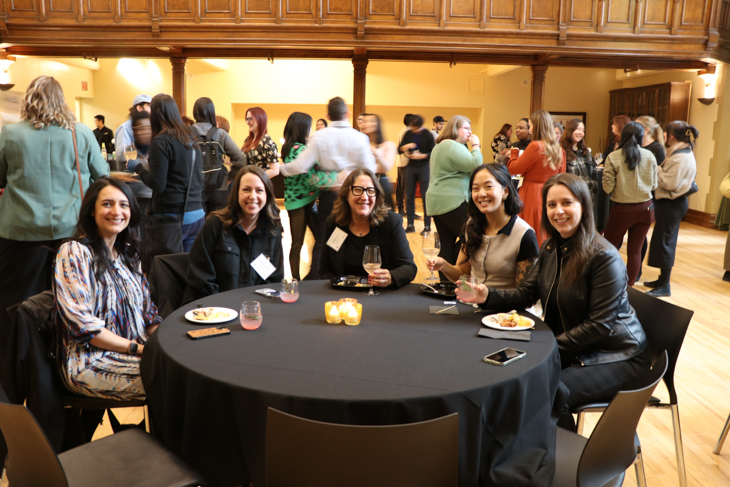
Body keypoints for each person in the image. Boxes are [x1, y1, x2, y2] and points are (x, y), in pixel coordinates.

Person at [456, 173, 650, 425]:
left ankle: (554, 459)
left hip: (618, 356)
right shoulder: (551, 247)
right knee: (508, 377)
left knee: (546, 391)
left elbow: (599, 326)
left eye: (567, 203)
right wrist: (487, 295)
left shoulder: (604, 257)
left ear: (583, 205)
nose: (558, 211)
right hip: (575, 348)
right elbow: (526, 293)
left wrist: (546, 349)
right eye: (551, 204)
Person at [0, 76, 109, 364]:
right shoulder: (81, 133)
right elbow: (103, 176)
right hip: (70, 232)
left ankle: (18, 365)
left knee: (16, 304)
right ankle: (66, 359)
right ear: (61, 100)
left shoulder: (10, 134)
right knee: (71, 301)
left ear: (28, 100)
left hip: (18, 233)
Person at [55, 176, 160, 401]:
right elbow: (83, 326)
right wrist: (138, 349)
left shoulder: (128, 254)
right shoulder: (74, 252)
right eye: (107, 204)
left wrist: (165, 343)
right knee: (171, 380)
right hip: (90, 362)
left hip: (137, 352)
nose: (117, 211)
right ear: (92, 210)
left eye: (124, 204)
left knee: (184, 369)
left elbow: (149, 313)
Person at [279, 97, 376, 279]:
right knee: (353, 238)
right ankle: (351, 278)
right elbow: (370, 169)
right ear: (347, 114)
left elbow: (300, 166)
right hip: (356, 196)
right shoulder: (360, 138)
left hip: (329, 197)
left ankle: (317, 282)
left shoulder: (319, 136)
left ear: (328, 116)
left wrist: (281, 168)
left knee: (323, 241)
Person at [184, 166, 285, 303]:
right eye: (246, 189)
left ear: (267, 195)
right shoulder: (215, 224)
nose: (253, 196)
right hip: (212, 308)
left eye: (259, 190)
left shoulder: (272, 232)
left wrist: (253, 308)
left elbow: (274, 282)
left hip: (253, 310)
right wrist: (223, 306)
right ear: (236, 192)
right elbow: (200, 276)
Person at [427, 164, 538, 288]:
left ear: (505, 191)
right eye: (475, 188)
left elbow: (525, 295)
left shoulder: (524, 235)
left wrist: (488, 297)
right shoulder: (472, 225)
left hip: (506, 307)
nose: (481, 194)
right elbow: (463, 274)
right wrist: (444, 265)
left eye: (488, 187)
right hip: (472, 304)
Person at [128, 94, 205, 254]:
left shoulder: (160, 141)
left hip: (172, 218)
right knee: (186, 268)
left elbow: (158, 184)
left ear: (154, 115)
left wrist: (138, 168)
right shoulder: (190, 138)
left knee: (165, 270)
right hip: (197, 214)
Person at [319, 168, 416, 288]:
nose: (364, 197)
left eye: (370, 191)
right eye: (358, 190)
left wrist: (391, 277)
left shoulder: (391, 222)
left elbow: (409, 267)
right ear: (346, 194)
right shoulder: (334, 223)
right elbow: (324, 269)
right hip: (344, 298)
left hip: (381, 296)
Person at [645, 121, 699, 297]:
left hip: (672, 204)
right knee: (662, 241)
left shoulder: (680, 157)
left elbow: (670, 183)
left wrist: (655, 168)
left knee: (666, 243)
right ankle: (661, 280)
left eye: (666, 133)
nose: (664, 136)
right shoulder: (678, 153)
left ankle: (665, 285)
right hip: (669, 204)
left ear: (672, 136)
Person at [281, 112, 335, 280]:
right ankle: (296, 281)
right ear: (302, 128)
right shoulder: (299, 149)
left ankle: (313, 274)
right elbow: (312, 170)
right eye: (310, 127)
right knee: (298, 243)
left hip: (306, 201)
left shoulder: (291, 148)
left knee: (320, 240)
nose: (311, 130)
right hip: (298, 203)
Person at [602, 121, 657, 286]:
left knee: (609, 249)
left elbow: (607, 187)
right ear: (641, 137)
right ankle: (630, 286)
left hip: (622, 210)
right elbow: (654, 185)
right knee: (635, 251)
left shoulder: (614, 156)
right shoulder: (650, 156)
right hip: (646, 209)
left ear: (623, 136)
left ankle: (607, 283)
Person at [426, 115, 482, 270]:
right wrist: (476, 145)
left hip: (438, 200)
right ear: (454, 129)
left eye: (471, 129)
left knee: (447, 243)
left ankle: (446, 282)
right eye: (466, 128)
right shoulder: (452, 145)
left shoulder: (441, 146)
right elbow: (475, 164)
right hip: (452, 200)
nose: (470, 133)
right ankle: (459, 275)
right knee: (474, 237)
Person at [507, 110, 566, 246]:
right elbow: (561, 175)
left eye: (530, 125)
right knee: (545, 230)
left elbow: (514, 169)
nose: (529, 129)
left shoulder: (535, 146)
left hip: (532, 193)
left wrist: (514, 153)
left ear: (536, 126)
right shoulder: (559, 149)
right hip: (551, 192)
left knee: (529, 230)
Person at [191, 97, 247, 213]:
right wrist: (230, 178)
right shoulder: (220, 134)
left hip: (194, 187)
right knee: (218, 224)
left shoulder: (185, 133)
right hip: (219, 187)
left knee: (198, 227)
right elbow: (240, 158)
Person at [398, 114, 435, 234]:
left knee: (425, 196)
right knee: (409, 195)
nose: (414, 130)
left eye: (416, 128)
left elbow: (433, 152)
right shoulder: (408, 133)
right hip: (411, 165)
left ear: (420, 126)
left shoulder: (428, 135)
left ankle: (427, 226)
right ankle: (410, 224)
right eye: (412, 128)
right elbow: (398, 149)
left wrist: (423, 155)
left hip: (423, 166)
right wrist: (405, 147)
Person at [361, 113, 396, 210]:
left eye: (371, 121)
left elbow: (387, 167)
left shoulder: (388, 145)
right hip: (362, 181)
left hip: (380, 181)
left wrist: (377, 154)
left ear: (378, 125)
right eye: (365, 121)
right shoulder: (360, 144)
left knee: (384, 215)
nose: (366, 124)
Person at [560, 119, 597, 199]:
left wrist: (591, 190)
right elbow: (559, 177)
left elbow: (594, 174)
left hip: (587, 197)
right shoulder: (561, 151)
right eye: (578, 129)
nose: (581, 133)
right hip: (569, 197)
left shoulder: (586, 152)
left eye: (583, 130)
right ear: (570, 130)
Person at [114, 94, 151, 171]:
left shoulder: (150, 124)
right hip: (131, 176)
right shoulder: (125, 128)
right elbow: (124, 157)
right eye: (150, 106)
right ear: (139, 108)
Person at [242, 106, 280, 179]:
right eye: (246, 119)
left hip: (258, 184)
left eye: (250, 119)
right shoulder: (248, 140)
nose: (247, 122)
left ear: (260, 119)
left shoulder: (266, 141)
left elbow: (275, 170)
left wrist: (255, 177)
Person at [395, 113, 413, 217]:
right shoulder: (407, 131)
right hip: (405, 162)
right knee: (405, 188)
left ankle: (402, 209)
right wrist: (412, 156)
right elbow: (405, 147)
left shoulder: (403, 130)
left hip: (401, 162)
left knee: (400, 187)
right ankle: (403, 210)